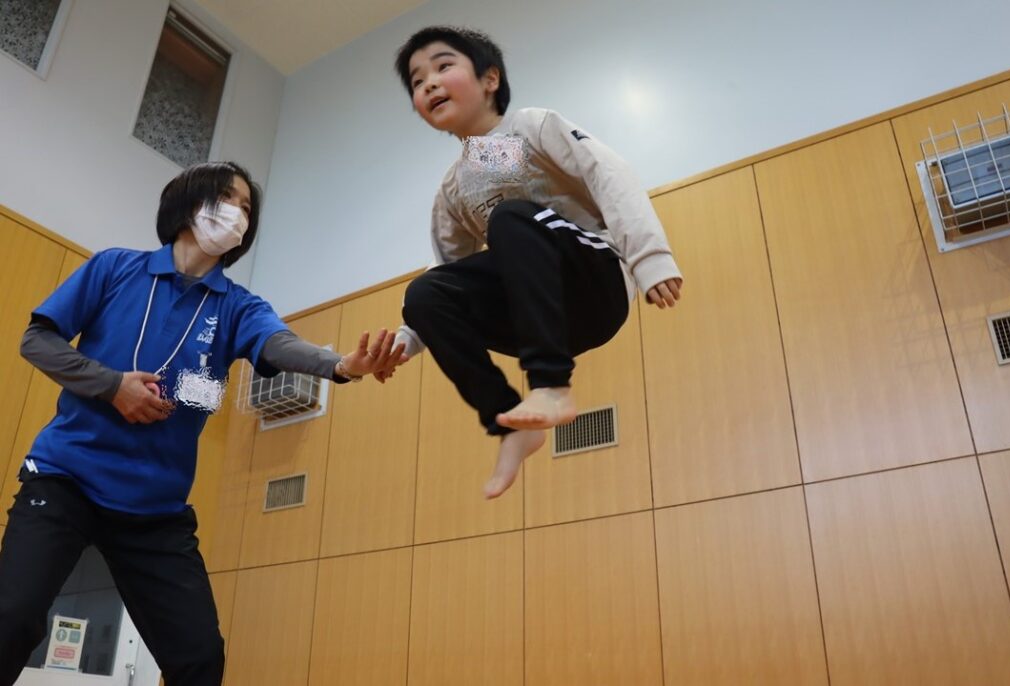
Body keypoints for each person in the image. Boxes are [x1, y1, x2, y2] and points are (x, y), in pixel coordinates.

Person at [0, 161, 404, 685]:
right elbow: (37, 340)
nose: (238, 213)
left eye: (247, 208)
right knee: (10, 618)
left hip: (155, 509)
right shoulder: (115, 268)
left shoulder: (238, 306)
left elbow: (278, 343)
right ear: (189, 203)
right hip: (66, 480)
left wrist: (341, 366)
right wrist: (111, 385)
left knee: (199, 659)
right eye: (227, 199)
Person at [380, 26, 683, 498]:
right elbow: (450, 273)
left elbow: (607, 173)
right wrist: (407, 339)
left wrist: (650, 258)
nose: (430, 84)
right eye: (418, 82)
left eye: (443, 66)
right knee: (425, 292)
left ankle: (551, 385)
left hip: (594, 284)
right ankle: (507, 424)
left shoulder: (529, 127)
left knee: (510, 218)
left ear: (490, 79)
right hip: (537, 316)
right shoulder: (453, 188)